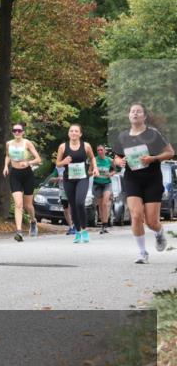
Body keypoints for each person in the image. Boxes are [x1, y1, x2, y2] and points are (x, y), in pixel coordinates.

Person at [112, 103, 175, 264]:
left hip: (152, 179)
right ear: (129, 115)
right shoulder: (123, 136)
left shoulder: (153, 134)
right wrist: (119, 162)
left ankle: (159, 232)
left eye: (138, 112)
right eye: (132, 111)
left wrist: (153, 158)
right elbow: (116, 157)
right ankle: (142, 253)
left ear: (144, 116)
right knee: (136, 215)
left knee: (151, 221)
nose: (135, 114)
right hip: (132, 179)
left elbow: (170, 152)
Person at [55, 123, 100, 244]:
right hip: (68, 179)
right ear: (68, 133)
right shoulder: (63, 147)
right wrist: (63, 161)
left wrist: (95, 168)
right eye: (71, 131)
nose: (73, 133)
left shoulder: (86, 146)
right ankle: (78, 231)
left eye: (76, 131)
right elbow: (58, 163)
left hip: (82, 178)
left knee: (80, 203)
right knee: (73, 206)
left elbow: (92, 158)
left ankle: (84, 230)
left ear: (80, 134)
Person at [3, 122, 42, 241]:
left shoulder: (27, 143)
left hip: (27, 175)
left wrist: (28, 162)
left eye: (19, 130)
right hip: (15, 174)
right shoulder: (8, 143)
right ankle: (19, 231)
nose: (17, 132)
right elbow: (8, 156)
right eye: (14, 131)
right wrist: (5, 166)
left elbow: (38, 159)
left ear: (23, 132)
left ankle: (33, 221)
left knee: (28, 205)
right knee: (18, 204)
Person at [93, 145, 116, 234]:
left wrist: (110, 174)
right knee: (100, 205)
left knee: (105, 203)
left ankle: (105, 225)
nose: (100, 151)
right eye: (98, 150)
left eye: (101, 150)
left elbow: (115, 170)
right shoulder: (94, 160)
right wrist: (94, 173)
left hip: (107, 183)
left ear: (105, 151)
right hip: (97, 184)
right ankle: (103, 225)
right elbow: (89, 172)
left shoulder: (109, 160)